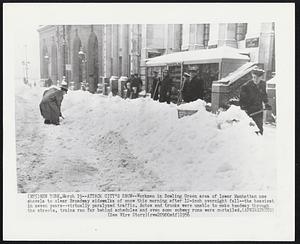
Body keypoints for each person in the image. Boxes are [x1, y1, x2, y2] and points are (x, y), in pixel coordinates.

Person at [239, 67, 272, 135]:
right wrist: (245, 109)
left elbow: (264, 95)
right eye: (254, 77)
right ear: (252, 76)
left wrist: (266, 103)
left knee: (259, 129)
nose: (255, 79)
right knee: (250, 131)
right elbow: (242, 101)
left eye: (257, 78)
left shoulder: (263, 84)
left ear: (261, 77)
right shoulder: (245, 87)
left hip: (259, 110)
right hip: (249, 111)